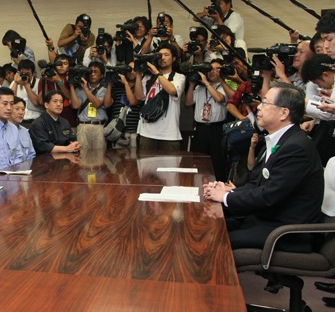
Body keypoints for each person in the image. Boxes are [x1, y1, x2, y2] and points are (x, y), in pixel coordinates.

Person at [204, 83, 323, 251]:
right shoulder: (281, 139)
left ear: (284, 113)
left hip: (288, 231)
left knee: (215, 239)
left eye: (265, 103)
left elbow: (269, 196)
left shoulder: (296, 148)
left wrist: (225, 197)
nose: (258, 107)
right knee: (208, 226)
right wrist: (229, 190)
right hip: (266, 218)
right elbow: (257, 180)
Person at [135, 43, 186, 151]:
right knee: (146, 167)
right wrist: (139, 75)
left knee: (169, 167)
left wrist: (158, 73)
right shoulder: (149, 77)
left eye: (166, 55)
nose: (162, 58)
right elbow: (139, 96)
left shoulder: (179, 77)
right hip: (147, 132)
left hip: (169, 134)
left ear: (174, 58)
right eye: (159, 55)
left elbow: (172, 91)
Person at [185, 60, 228, 181]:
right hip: (201, 129)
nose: (212, 71)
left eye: (216, 69)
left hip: (217, 128)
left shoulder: (223, 87)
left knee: (217, 162)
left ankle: (218, 188)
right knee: (199, 161)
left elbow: (220, 98)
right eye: (210, 69)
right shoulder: (199, 88)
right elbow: (188, 102)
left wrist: (207, 83)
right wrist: (192, 85)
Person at [69, 61, 107, 149]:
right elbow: (75, 106)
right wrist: (71, 86)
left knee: (99, 157)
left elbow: (97, 104)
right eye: (90, 72)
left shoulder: (104, 89)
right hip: (83, 126)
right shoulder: (79, 89)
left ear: (102, 75)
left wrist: (86, 88)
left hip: (99, 127)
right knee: (82, 156)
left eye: (96, 72)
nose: (92, 74)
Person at [103, 61, 141, 148]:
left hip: (133, 132)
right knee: (117, 161)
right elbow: (107, 104)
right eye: (129, 69)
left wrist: (126, 83)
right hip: (118, 132)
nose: (131, 72)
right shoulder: (117, 87)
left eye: (134, 70)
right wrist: (110, 85)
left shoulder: (140, 88)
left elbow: (133, 101)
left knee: (134, 160)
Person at [37, 54, 77, 128]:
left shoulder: (71, 79)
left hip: (70, 121)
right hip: (51, 123)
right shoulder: (46, 79)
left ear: (69, 66)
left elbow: (70, 97)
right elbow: (41, 101)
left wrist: (59, 82)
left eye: (65, 63)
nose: (61, 66)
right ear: (55, 66)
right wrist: (45, 82)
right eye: (59, 64)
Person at [10, 59, 44, 129]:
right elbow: (10, 100)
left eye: (28, 74)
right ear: (18, 73)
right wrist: (16, 82)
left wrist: (26, 85)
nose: (26, 76)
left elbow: (36, 103)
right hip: (18, 122)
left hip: (36, 121)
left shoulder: (39, 83)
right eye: (23, 73)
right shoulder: (14, 83)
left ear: (33, 73)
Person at [9, 97, 36, 162]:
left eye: (23, 109)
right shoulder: (3, 130)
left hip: (26, 169)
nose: (21, 112)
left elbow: (31, 154)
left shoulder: (24, 131)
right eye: (17, 109)